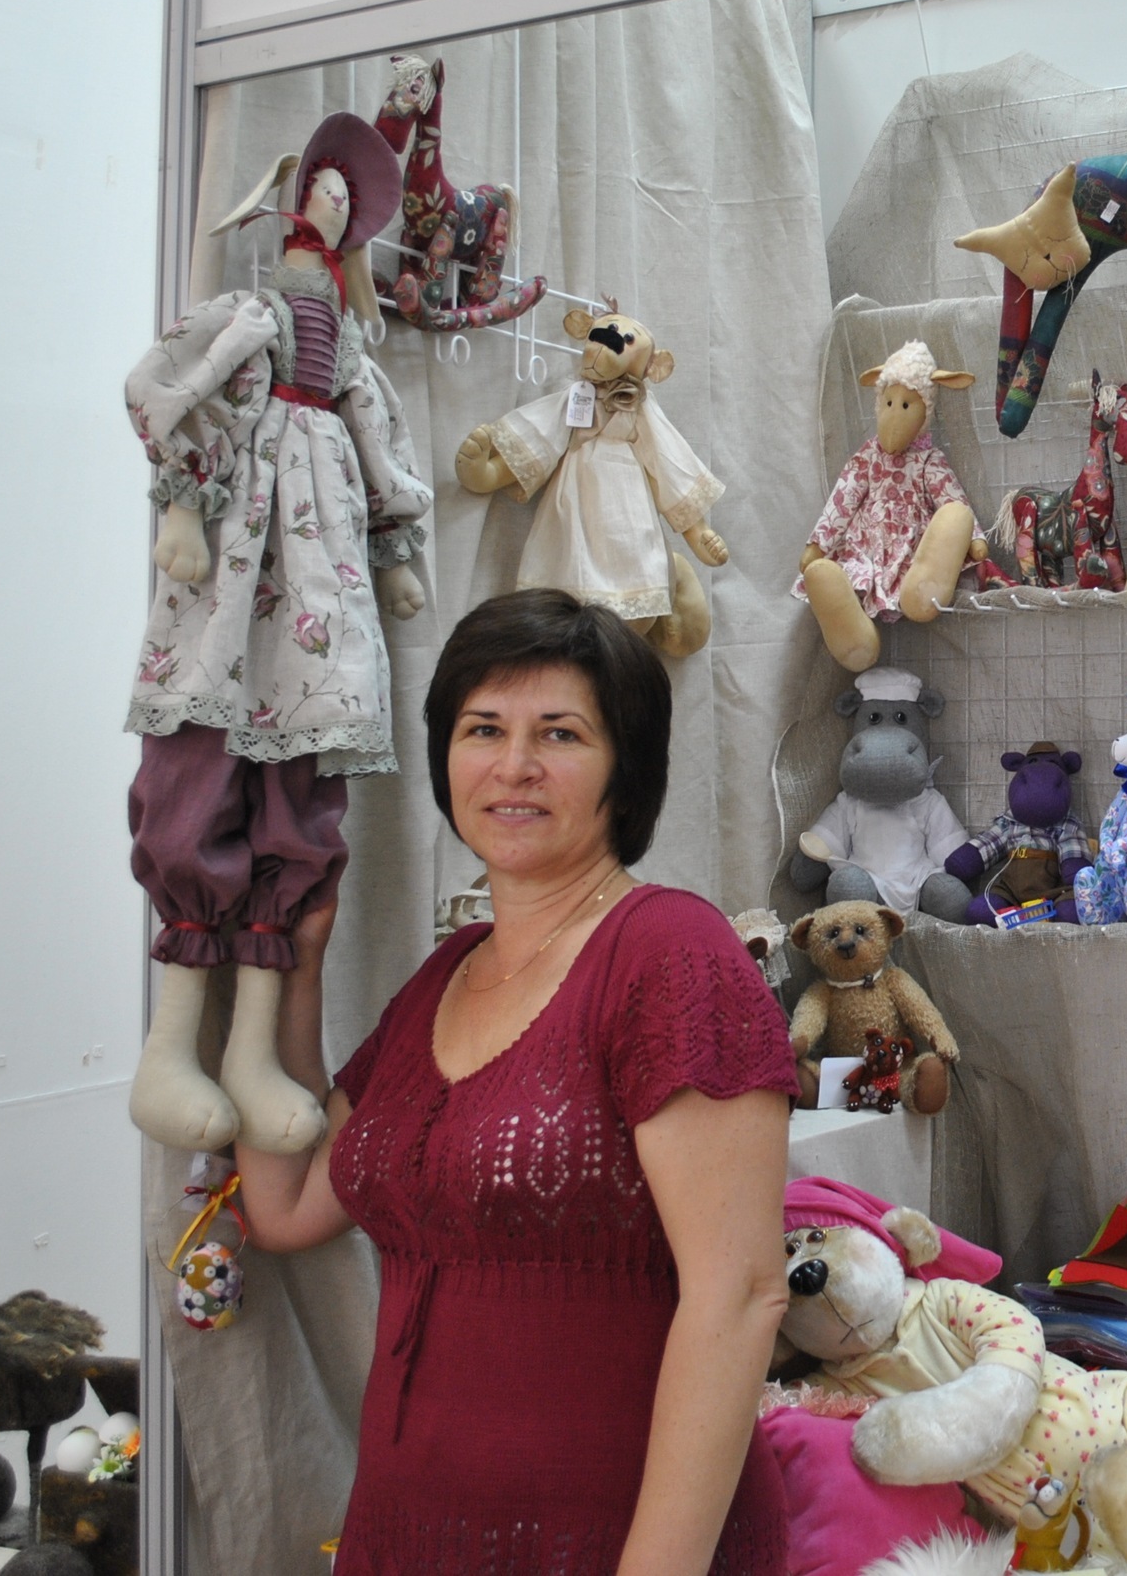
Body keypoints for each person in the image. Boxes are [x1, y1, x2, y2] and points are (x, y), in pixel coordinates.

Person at [235, 588, 796, 1575]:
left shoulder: (670, 951)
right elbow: (283, 1205)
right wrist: (296, 964)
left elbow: (742, 1292)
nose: (514, 764)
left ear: (626, 767)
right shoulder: (441, 979)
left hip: (609, 1543)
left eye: (561, 733)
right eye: (483, 728)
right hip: (405, 1536)